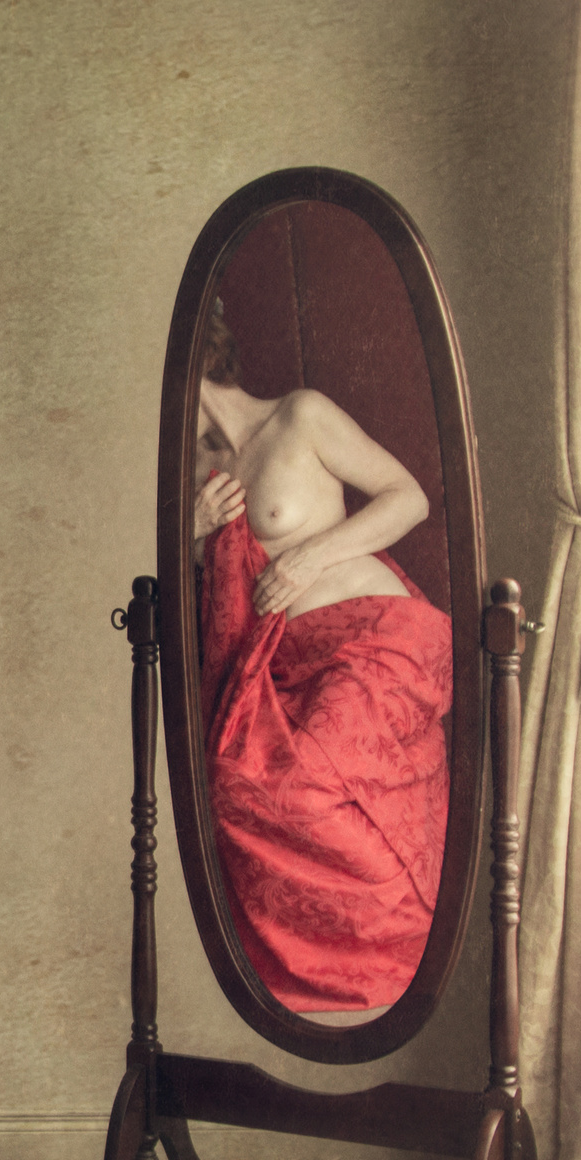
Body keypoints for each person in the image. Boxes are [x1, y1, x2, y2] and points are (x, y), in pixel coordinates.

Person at [190, 303, 454, 1022]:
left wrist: (309, 556)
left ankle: (405, 933)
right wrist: (195, 530)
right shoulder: (205, 473)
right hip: (290, 663)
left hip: (374, 638)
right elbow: (215, 588)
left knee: (305, 776)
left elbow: (409, 499)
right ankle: (358, 956)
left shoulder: (298, 417)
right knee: (240, 784)